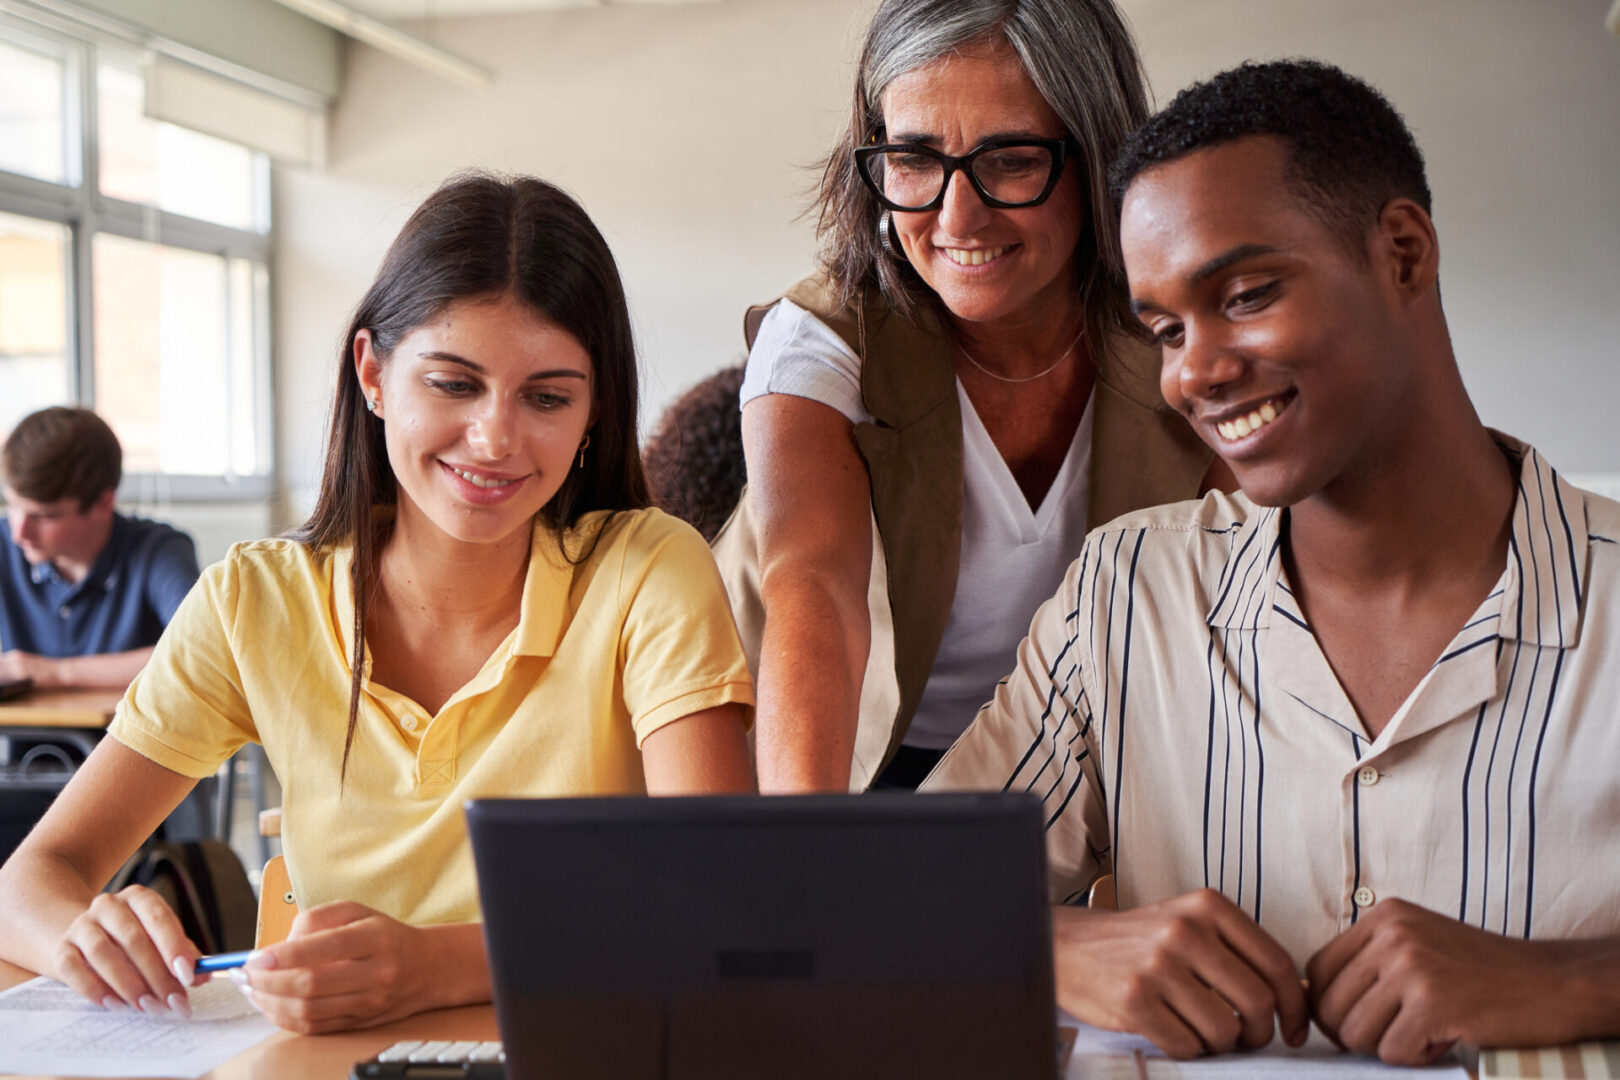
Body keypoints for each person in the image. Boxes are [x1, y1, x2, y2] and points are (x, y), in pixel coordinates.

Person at [924, 60, 1620, 1065]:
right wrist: (1052, 942)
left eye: (1245, 294)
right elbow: (881, 910)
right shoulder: (1126, 597)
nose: (1192, 373)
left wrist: (1568, 979)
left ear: (1405, 254)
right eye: (1164, 330)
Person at [0, 173, 756, 1034]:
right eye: (453, 384)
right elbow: (27, 883)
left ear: (592, 414)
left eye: (547, 397)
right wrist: (85, 933)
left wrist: (436, 966)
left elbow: (715, 903)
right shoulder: (257, 599)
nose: (496, 439)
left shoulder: (649, 569)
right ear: (373, 373)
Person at [717, 0, 1225, 793]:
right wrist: (803, 855)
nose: (958, 217)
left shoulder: (1175, 327)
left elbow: (1263, 573)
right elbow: (813, 588)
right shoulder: (820, 337)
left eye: (1011, 159)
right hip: (837, 760)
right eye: (915, 159)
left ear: (1097, 157)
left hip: (1077, 764)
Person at [0, 407, 199, 690]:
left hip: (130, 734)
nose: (19, 532)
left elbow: (197, 649)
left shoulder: (158, 550)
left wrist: (55, 673)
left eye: (45, 516)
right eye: (13, 507)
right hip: (33, 733)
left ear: (104, 504)